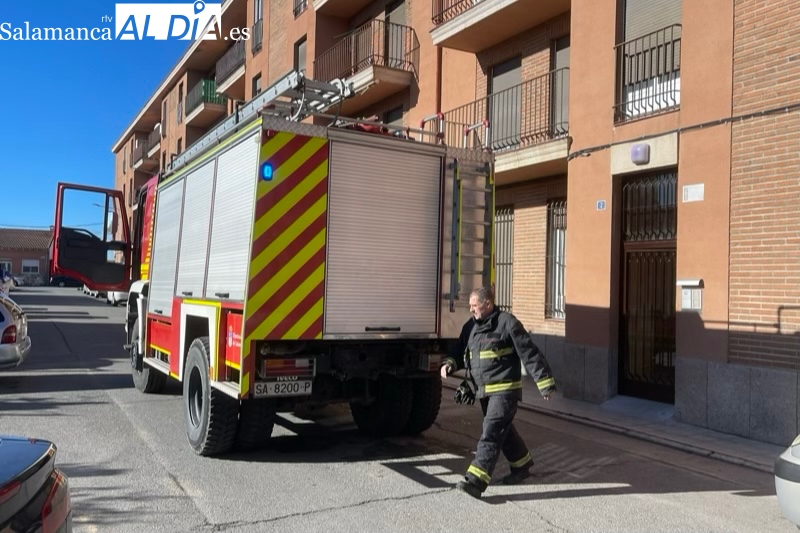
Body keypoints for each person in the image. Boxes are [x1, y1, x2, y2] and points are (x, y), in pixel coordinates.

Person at [441, 286, 556, 499]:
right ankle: (521, 465)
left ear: (487, 304)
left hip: (505, 391)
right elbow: (459, 349)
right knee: (504, 430)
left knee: (492, 431)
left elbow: (529, 352)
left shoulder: (507, 323)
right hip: (484, 391)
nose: (471, 310)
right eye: (470, 306)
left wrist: (544, 382)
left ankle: (475, 482)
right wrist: (449, 364)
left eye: (474, 306)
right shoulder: (471, 327)